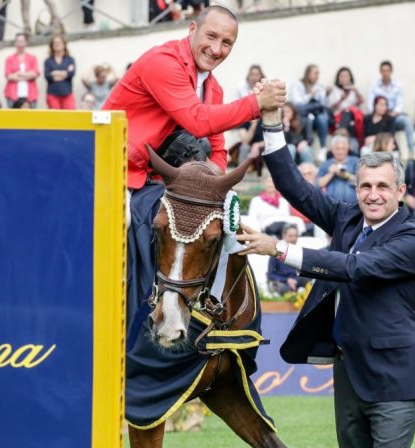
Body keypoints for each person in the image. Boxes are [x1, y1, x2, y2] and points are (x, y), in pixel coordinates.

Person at [239, 101, 415, 447]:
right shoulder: (347, 217)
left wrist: (280, 249)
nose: (373, 195)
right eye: (365, 186)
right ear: (356, 187)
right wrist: (271, 123)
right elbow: (294, 187)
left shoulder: (412, 238)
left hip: (395, 380)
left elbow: (355, 267)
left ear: (401, 192)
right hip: (347, 372)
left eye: (382, 187)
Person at [102, 4, 285, 342]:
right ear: (191, 30)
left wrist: (207, 180)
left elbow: (218, 150)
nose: (217, 49)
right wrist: (255, 104)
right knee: (130, 229)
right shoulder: (163, 62)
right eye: (211, 36)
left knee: (217, 225)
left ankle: (208, 312)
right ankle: (115, 329)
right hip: (112, 174)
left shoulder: (211, 87)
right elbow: (199, 121)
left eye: (227, 43)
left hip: (149, 182)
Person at [289, 63, 330, 150]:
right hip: (301, 115)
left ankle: (323, 148)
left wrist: (327, 94)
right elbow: (297, 104)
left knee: (322, 117)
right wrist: (310, 95)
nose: (317, 76)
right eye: (315, 73)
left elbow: (324, 105)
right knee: (306, 114)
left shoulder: (319, 86)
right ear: (308, 73)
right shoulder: (297, 84)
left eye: (318, 74)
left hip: (315, 116)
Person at [327, 66, 364, 147]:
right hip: (338, 117)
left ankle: (340, 134)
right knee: (346, 112)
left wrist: (356, 91)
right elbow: (330, 108)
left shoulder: (354, 89)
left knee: (349, 111)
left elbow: (361, 102)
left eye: (346, 76)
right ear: (338, 78)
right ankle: (342, 134)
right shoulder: (334, 90)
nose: (344, 78)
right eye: (342, 76)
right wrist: (341, 99)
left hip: (353, 117)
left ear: (350, 77)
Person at [267, 224, 309, 294]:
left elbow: (304, 271)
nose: (293, 239)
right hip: (282, 282)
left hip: (297, 281)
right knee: (281, 287)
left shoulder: (300, 252)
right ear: (284, 236)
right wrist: (287, 280)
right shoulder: (276, 252)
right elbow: (270, 275)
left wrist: (296, 280)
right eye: (290, 236)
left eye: (296, 236)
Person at [317, 135, 358, 203]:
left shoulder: (355, 161)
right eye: (337, 148)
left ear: (348, 148)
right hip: (331, 205)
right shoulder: (326, 164)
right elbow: (317, 185)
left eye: (343, 148)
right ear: (332, 149)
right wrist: (331, 173)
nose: (340, 152)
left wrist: (346, 175)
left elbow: (362, 182)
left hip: (352, 204)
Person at [4, 32, 39, 108]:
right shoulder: (9, 59)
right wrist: (27, 75)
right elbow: (9, 76)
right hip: (13, 95)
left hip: (30, 95)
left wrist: (19, 73)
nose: (20, 44)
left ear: (26, 43)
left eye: (22, 41)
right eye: (18, 41)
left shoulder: (32, 58)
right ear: (15, 43)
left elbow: (35, 73)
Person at [44, 34, 75, 109]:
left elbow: (70, 74)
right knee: (55, 119)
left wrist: (55, 73)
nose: (57, 45)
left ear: (64, 45)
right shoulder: (48, 61)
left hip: (67, 93)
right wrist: (64, 73)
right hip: (53, 94)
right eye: (55, 43)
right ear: (52, 46)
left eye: (59, 42)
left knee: (69, 118)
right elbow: (48, 76)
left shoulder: (70, 59)